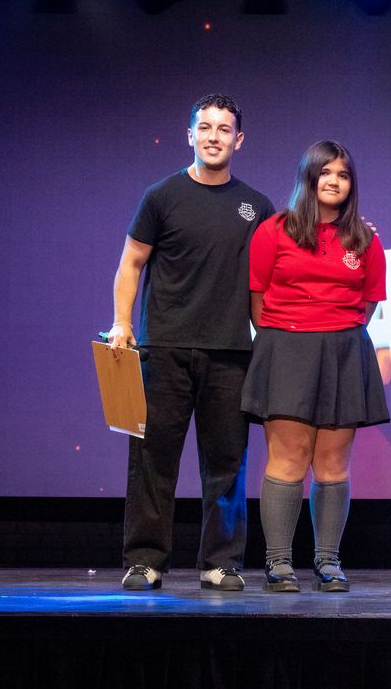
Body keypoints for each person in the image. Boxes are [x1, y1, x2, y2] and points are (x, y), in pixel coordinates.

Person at [108, 94, 275, 592]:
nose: (213, 137)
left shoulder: (257, 206)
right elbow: (131, 264)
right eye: (205, 127)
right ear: (190, 135)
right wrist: (121, 323)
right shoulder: (161, 196)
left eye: (224, 129)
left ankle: (220, 562)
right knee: (152, 458)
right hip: (164, 348)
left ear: (238, 140)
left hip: (231, 353)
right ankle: (145, 560)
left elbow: (267, 281)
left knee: (227, 462)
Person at [242, 140, 388, 593]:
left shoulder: (365, 238)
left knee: (332, 464)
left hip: (344, 351)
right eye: (325, 172)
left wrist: (333, 331)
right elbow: (257, 297)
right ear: (309, 177)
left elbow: (368, 303)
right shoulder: (273, 230)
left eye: (343, 175)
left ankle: (328, 562)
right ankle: (279, 564)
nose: (334, 181)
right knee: (288, 460)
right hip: (286, 348)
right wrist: (291, 334)